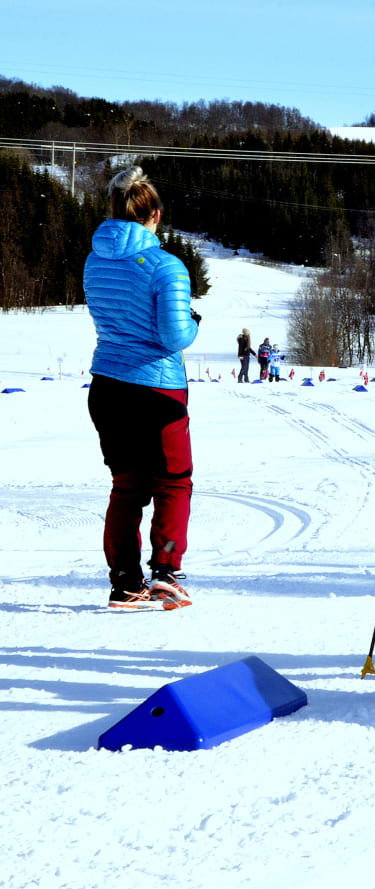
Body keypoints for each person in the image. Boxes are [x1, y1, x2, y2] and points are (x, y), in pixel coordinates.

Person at [82, 166, 200, 610]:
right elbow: (174, 336)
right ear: (155, 215)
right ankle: (165, 573)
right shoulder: (167, 267)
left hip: (107, 386)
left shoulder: (94, 260)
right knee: (174, 482)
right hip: (157, 390)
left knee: (127, 486)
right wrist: (193, 322)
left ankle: (125, 583)